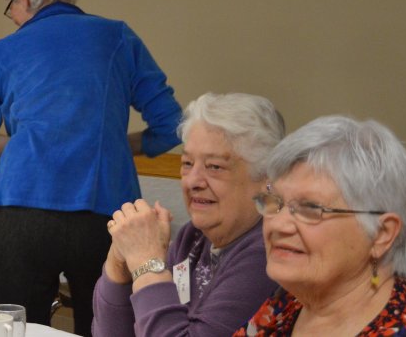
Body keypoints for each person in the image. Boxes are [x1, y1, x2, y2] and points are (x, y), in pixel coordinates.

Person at [0, 0, 183, 336]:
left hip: (20, 211)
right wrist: (121, 146)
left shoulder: (6, 50)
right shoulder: (117, 36)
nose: (14, 19)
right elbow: (172, 124)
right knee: (108, 325)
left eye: (11, 8)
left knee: (15, 330)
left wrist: (17, 149)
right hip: (106, 213)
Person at [93, 92, 284, 336]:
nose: (192, 181)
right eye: (187, 163)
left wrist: (145, 263)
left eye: (214, 166)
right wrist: (119, 263)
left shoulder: (268, 252)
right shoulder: (192, 238)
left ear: (265, 178)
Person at [235, 115, 406, 336]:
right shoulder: (290, 301)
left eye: (310, 208)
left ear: (381, 234)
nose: (279, 225)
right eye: (274, 202)